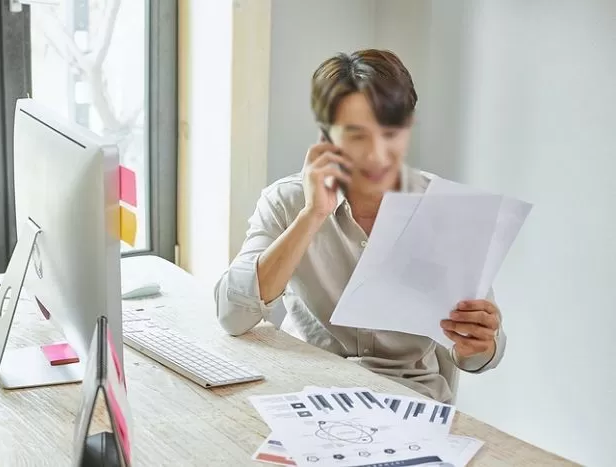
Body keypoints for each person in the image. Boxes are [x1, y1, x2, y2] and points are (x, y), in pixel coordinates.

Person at [214, 49, 505, 403]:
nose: (378, 154)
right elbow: (232, 316)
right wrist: (312, 215)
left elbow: (477, 358)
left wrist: (480, 342)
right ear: (326, 137)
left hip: (409, 400)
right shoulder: (286, 201)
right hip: (304, 393)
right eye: (357, 136)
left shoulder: (447, 212)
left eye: (390, 132)